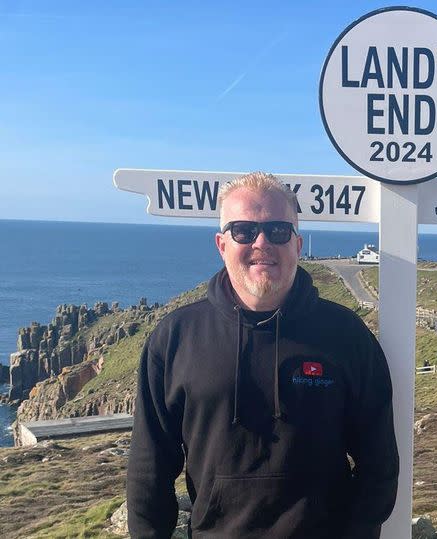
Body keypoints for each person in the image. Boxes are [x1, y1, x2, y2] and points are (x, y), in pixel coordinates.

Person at [127, 172, 399, 538]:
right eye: (243, 231)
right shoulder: (175, 337)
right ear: (222, 244)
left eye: (278, 231)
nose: (261, 243)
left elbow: (379, 462)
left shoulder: (346, 335)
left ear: (297, 244)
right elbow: (150, 468)